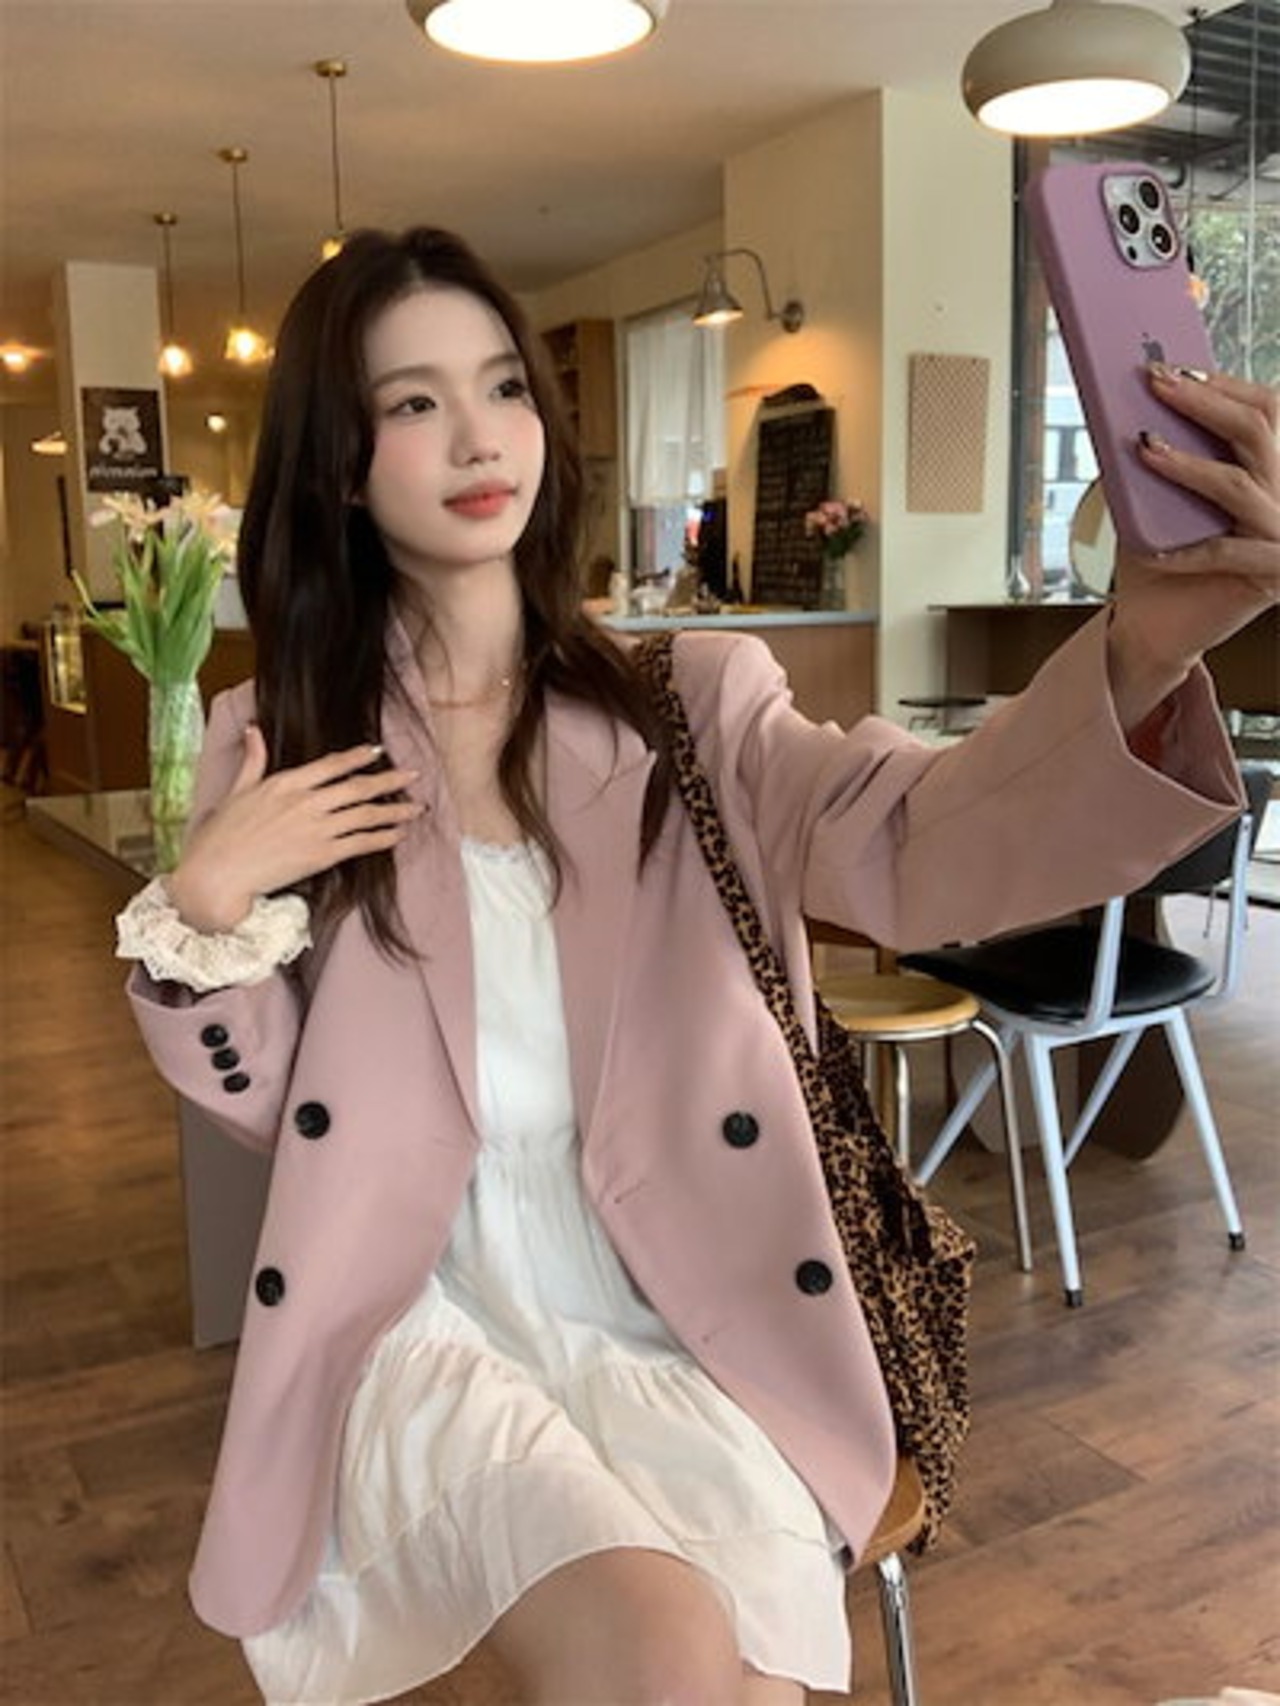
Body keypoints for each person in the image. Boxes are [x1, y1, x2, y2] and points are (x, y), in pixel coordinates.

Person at [116, 225, 1278, 1706]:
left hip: (685, 1292)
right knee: (667, 1652)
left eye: (502, 386)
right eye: (412, 402)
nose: (478, 435)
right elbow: (281, 1110)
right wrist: (207, 908)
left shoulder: (694, 705)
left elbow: (920, 842)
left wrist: (1139, 652)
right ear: (340, 464)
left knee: (742, 1675)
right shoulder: (282, 742)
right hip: (427, 1304)